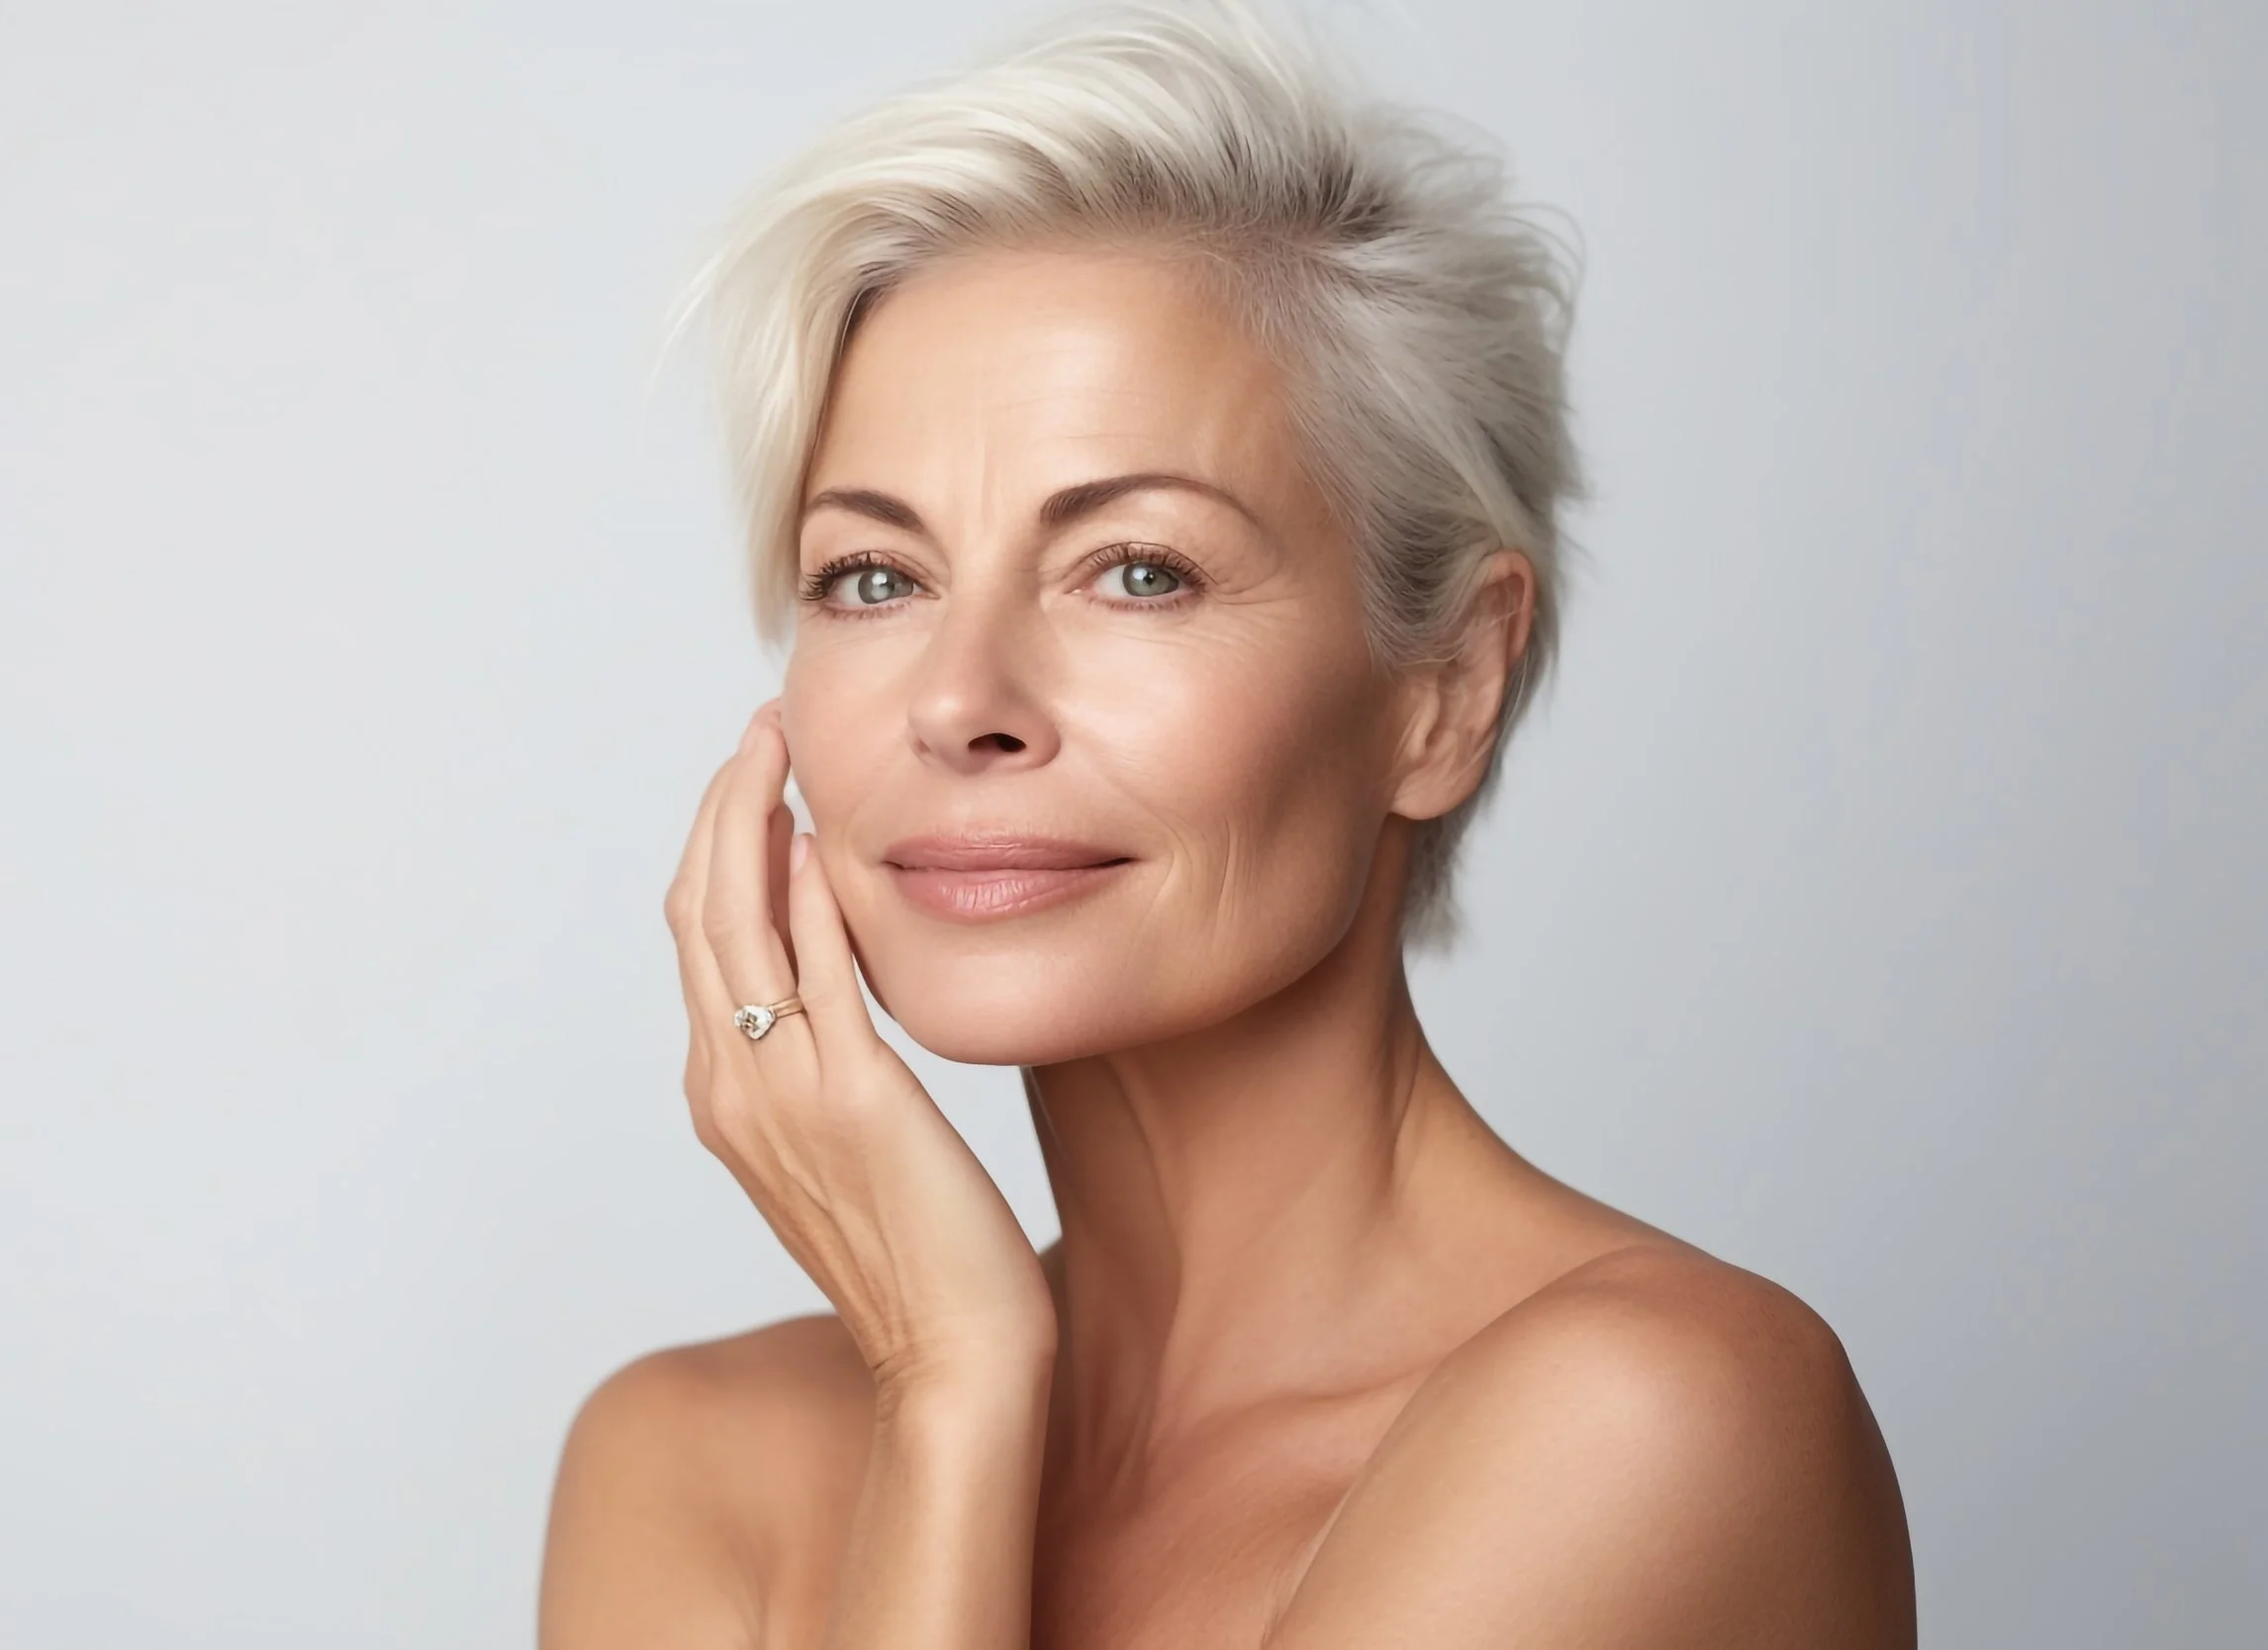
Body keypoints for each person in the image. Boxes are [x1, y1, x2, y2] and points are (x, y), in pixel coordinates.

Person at [539, 4, 1916, 1644]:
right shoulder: (690, 1458)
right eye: (876, 576)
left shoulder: (1665, 1411)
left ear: (1447, 687)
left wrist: (958, 1389)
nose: (962, 696)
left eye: (1140, 569)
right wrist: (947, 1380)